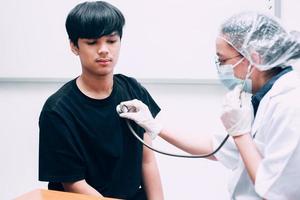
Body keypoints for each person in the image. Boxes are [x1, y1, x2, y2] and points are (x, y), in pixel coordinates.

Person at [118, 12, 300, 199]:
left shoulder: (290, 105)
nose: (221, 69)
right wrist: (155, 126)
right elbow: (215, 148)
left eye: (223, 60)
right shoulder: (262, 99)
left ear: (254, 59)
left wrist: (240, 133)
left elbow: (276, 192)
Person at [38, 1, 164, 199]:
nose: (104, 50)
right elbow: (74, 183)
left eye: (111, 41)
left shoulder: (133, 90)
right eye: (92, 42)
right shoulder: (57, 110)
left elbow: (146, 160)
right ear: (74, 46)